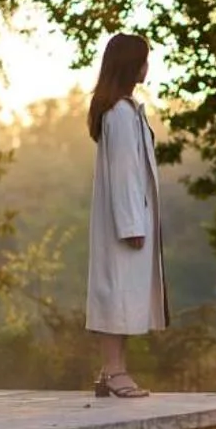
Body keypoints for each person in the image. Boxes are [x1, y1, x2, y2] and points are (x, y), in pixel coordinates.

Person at [85, 31, 168, 397]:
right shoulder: (118, 114)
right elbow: (123, 173)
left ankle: (111, 372)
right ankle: (115, 372)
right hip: (126, 220)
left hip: (136, 216)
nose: (148, 66)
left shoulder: (128, 110)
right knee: (116, 293)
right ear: (131, 65)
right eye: (144, 59)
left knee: (127, 295)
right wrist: (132, 224)